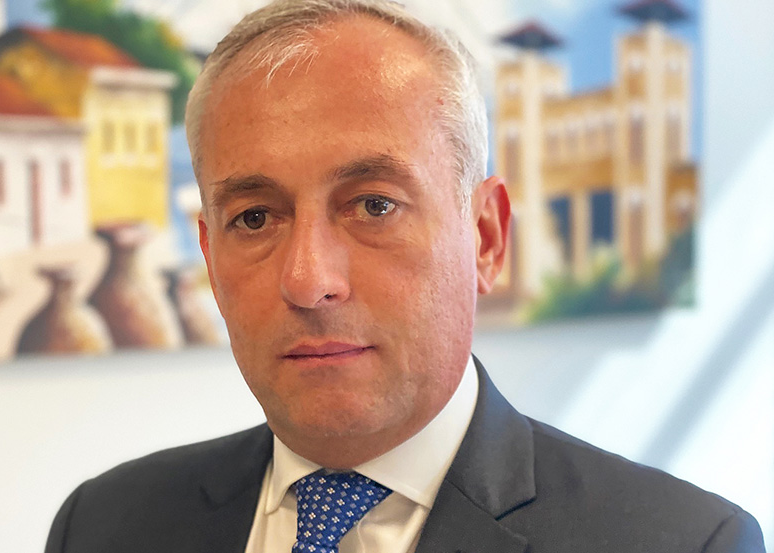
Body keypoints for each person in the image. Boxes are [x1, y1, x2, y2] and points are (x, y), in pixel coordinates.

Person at [45, 1, 766, 552]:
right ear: (209, 253)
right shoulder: (104, 526)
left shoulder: (683, 542)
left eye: (374, 205)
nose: (309, 280)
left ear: (485, 237)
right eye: (256, 217)